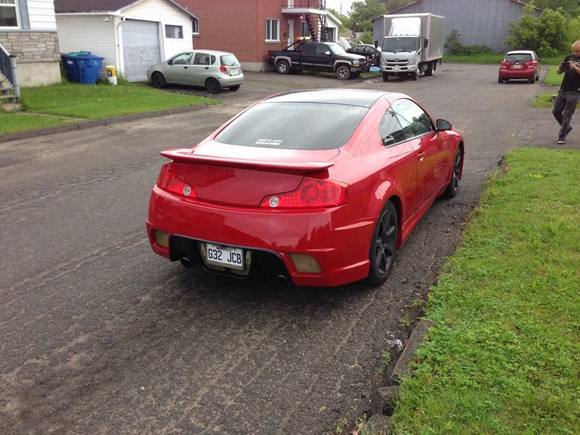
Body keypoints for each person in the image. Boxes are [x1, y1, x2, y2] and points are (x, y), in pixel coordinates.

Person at [553, 40, 580, 144]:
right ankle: (567, 127)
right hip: (563, 89)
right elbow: (559, 72)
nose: (574, 53)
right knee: (556, 112)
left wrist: (575, 67)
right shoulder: (568, 57)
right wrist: (560, 67)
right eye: (573, 51)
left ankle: (561, 137)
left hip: (575, 91)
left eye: (577, 51)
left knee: (567, 114)